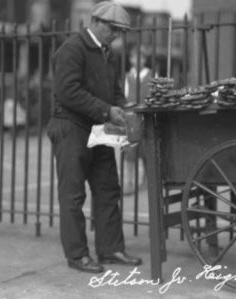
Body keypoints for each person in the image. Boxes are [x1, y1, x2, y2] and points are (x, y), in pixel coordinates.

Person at [46, 1, 142, 274]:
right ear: (96, 21)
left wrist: (123, 114)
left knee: (108, 188)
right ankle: (77, 255)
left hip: (98, 129)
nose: (116, 35)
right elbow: (67, 92)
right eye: (113, 28)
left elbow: (114, 92)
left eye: (120, 31)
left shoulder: (106, 53)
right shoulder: (72, 49)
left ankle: (110, 248)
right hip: (70, 126)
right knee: (72, 194)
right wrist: (106, 110)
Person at [121, 46, 151, 194]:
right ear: (130, 59)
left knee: (147, 150)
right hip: (131, 116)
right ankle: (129, 181)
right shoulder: (128, 76)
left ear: (145, 59)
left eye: (141, 57)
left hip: (147, 115)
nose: (137, 60)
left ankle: (146, 180)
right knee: (130, 151)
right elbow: (124, 96)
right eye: (134, 57)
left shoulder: (151, 75)